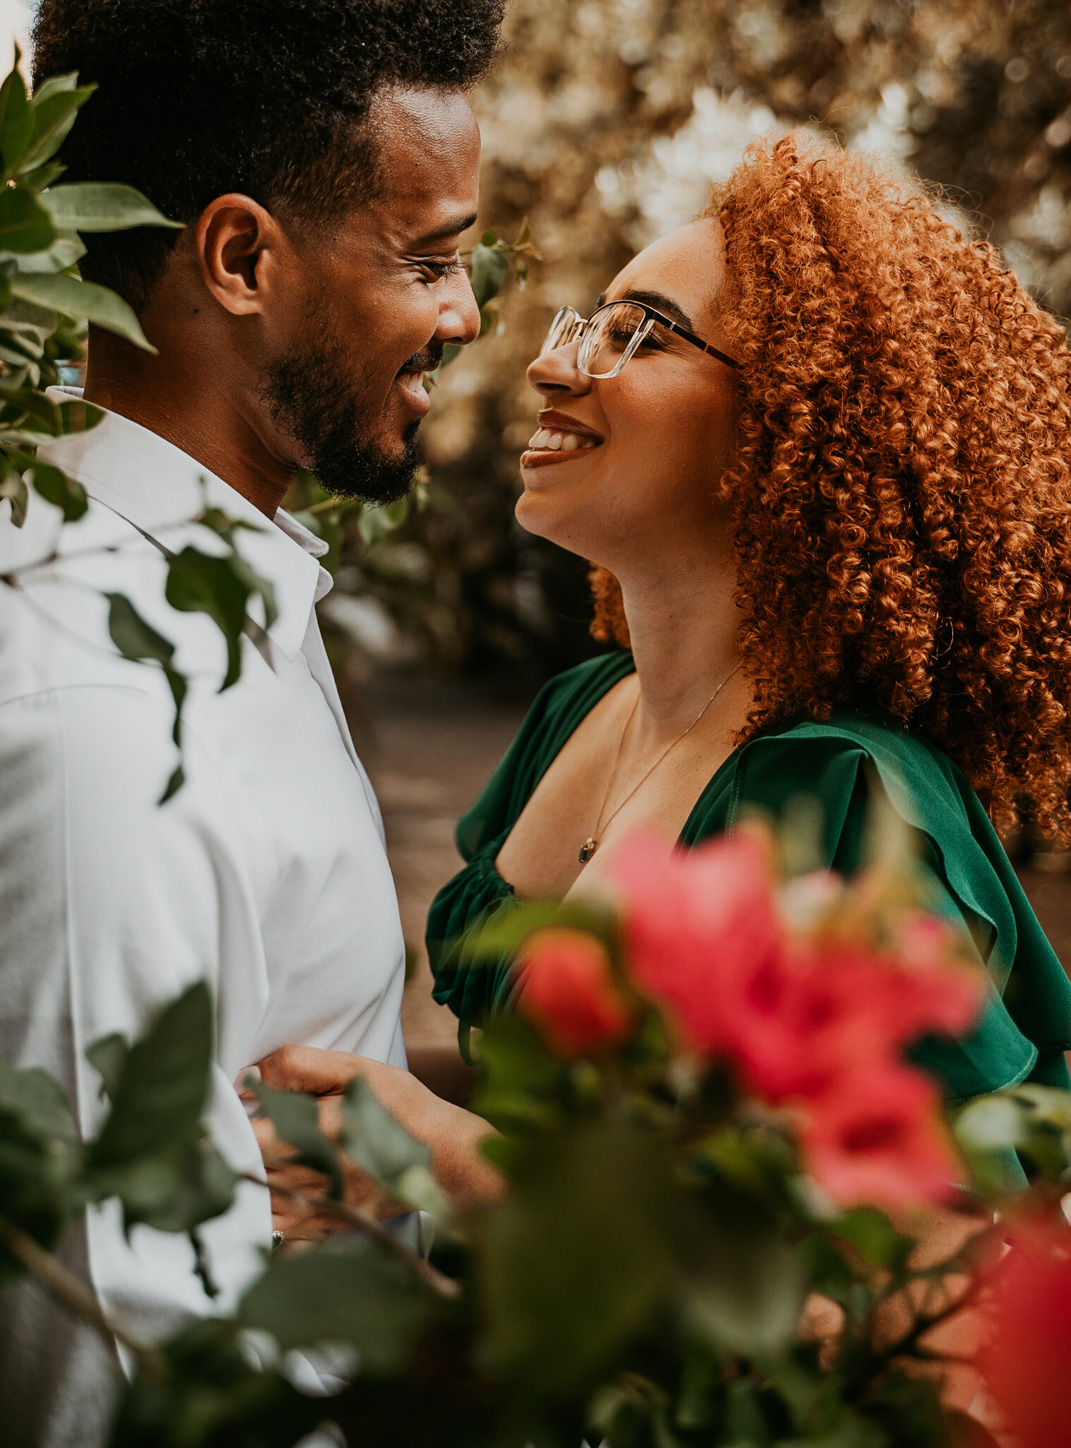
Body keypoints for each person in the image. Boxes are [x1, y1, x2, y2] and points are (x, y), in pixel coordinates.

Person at [0, 0, 504, 1448]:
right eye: (426, 255)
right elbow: (130, 1398)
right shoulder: (80, 725)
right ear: (238, 260)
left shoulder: (215, 597)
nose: (469, 313)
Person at [264, 134, 1071, 1186]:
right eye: (585, 325)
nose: (552, 365)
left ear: (795, 426)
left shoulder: (842, 798)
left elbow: (936, 1273)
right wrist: (328, 1104)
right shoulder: (581, 710)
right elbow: (534, 1097)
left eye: (640, 337)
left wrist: (455, 1163)